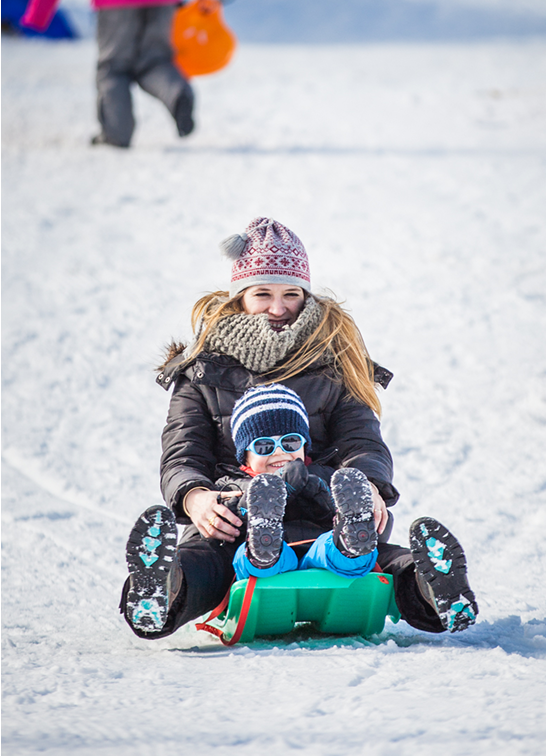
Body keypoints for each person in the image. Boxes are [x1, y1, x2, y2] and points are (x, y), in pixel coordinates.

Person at [120, 216, 479, 639]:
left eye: (291, 294)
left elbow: (362, 440)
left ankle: (435, 591)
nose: (279, 307)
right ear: (239, 298)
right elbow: (183, 451)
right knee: (205, 562)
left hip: (328, 512)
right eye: (263, 294)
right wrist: (196, 497)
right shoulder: (201, 374)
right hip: (235, 514)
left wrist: (368, 489)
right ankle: (160, 593)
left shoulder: (333, 363)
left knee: (379, 560)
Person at [21, 0, 228, 147]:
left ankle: (116, 134)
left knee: (113, 68)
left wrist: (39, 9)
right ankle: (177, 93)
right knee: (156, 61)